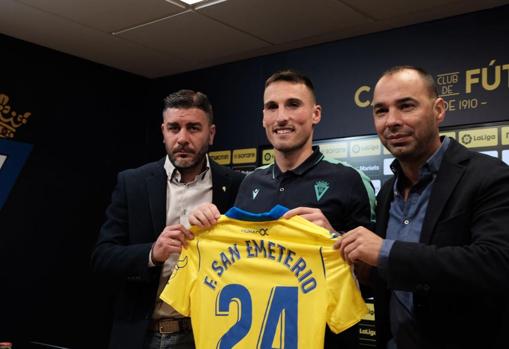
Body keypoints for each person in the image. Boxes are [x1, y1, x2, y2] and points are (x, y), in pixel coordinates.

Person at [189, 69, 375, 348]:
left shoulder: (349, 180)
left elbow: (372, 279)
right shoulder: (249, 182)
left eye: (293, 104)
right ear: (263, 117)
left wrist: (336, 239)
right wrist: (202, 229)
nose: (281, 117)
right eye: (272, 107)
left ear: (316, 114)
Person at [336, 66, 509, 349]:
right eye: (381, 111)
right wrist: (347, 257)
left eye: (406, 106)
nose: (392, 121)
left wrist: (384, 251)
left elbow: (495, 264)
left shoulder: (489, 176)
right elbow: (390, 280)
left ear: (438, 110)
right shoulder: (388, 192)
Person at [91, 89, 245, 349]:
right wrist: (152, 253)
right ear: (163, 132)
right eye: (174, 128)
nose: (182, 138)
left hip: (207, 335)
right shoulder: (133, 183)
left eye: (194, 128)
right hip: (142, 335)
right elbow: (102, 256)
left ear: (211, 133)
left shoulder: (236, 185)